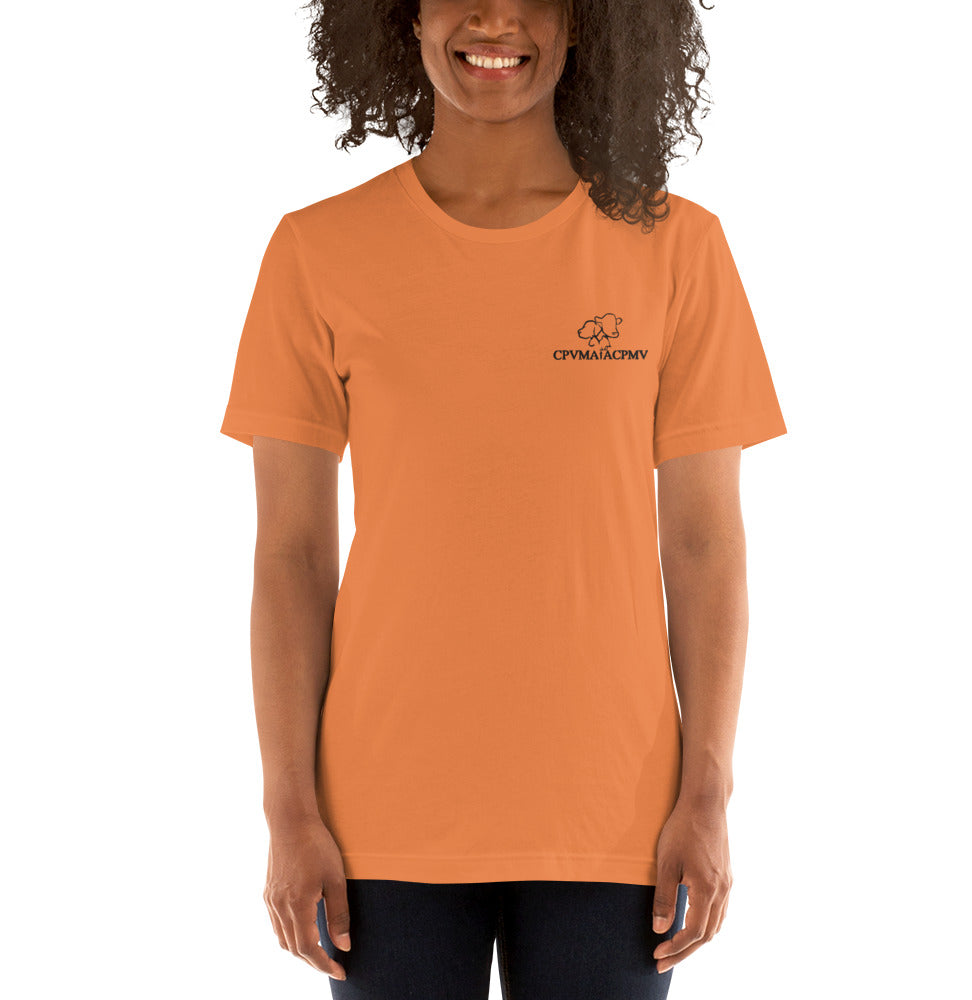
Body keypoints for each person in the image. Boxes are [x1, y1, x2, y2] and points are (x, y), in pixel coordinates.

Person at [220, 1, 787, 996]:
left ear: (587, 22)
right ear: (402, 15)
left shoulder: (678, 248)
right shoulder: (317, 251)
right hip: (380, 820)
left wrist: (707, 795)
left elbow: (704, 547)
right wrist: (289, 812)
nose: (495, 18)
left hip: (614, 818)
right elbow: (291, 557)